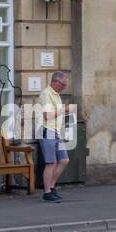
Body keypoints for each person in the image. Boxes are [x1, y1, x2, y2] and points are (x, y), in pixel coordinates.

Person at [36, 71, 70, 202]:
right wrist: (65, 110)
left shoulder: (56, 94)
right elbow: (47, 115)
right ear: (55, 82)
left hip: (55, 130)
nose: (64, 87)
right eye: (63, 85)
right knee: (51, 162)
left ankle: (51, 186)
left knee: (64, 160)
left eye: (65, 85)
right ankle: (47, 192)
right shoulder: (46, 94)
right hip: (46, 129)